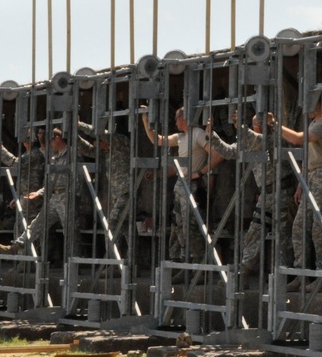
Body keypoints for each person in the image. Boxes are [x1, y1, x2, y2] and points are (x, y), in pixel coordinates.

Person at [141, 107, 238, 263]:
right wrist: (146, 121)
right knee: (178, 225)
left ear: (183, 118)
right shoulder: (181, 137)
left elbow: (218, 155)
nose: (175, 121)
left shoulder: (197, 134)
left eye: (176, 118)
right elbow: (157, 140)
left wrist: (200, 173)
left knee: (190, 225)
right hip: (181, 185)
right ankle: (186, 262)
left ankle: (197, 262)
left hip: (192, 185)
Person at [273, 98, 322, 293]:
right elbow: (308, 155)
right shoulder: (315, 122)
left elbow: (297, 139)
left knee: (320, 228)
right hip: (312, 176)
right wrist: (300, 186)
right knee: (299, 226)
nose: (305, 109)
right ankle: (301, 273)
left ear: (318, 103)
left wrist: (274, 125)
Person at [0, 127, 77, 257]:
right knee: (37, 224)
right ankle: (17, 245)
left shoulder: (71, 155)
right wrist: (40, 192)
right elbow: (50, 181)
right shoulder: (55, 157)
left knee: (70, 231)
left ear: (57, 138)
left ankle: (74, 260)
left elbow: (77, 178)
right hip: (54, 197)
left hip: (66, 196)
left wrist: (75, 196)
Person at [238, 112, 294, 279]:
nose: (255, 128)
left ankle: (285, 275)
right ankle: (244, 272)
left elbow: (259, 141)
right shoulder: (252, 143)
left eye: (257, 125)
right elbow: (230, 151)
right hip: (266, 195)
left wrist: (238, 125)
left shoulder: (274, 140)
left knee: (283, 234)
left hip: (282, 193)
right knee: (254, 231)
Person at [77, 114, 132, 249]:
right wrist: (74, 136)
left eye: (98, 140)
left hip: (126, 193)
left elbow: (100, 133)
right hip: (117, 195)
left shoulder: (120, 143)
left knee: (112, 224)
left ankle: (113, 261)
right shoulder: (106, 152)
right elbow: (88, 150)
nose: (96, 143)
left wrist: (79, 125)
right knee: (124, 226)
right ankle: (132, 259)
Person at [0, 129, 46, 240]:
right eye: (24, 138)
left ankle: (29, 255)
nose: (26, 141)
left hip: (32, 200)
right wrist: (18, 196)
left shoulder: (35, 154)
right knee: (20, 228)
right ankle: (21, 255)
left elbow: (16, 163)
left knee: (28, 229)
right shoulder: (27, 154)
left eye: (28, 138)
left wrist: (1, 150)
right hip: (25, 197)